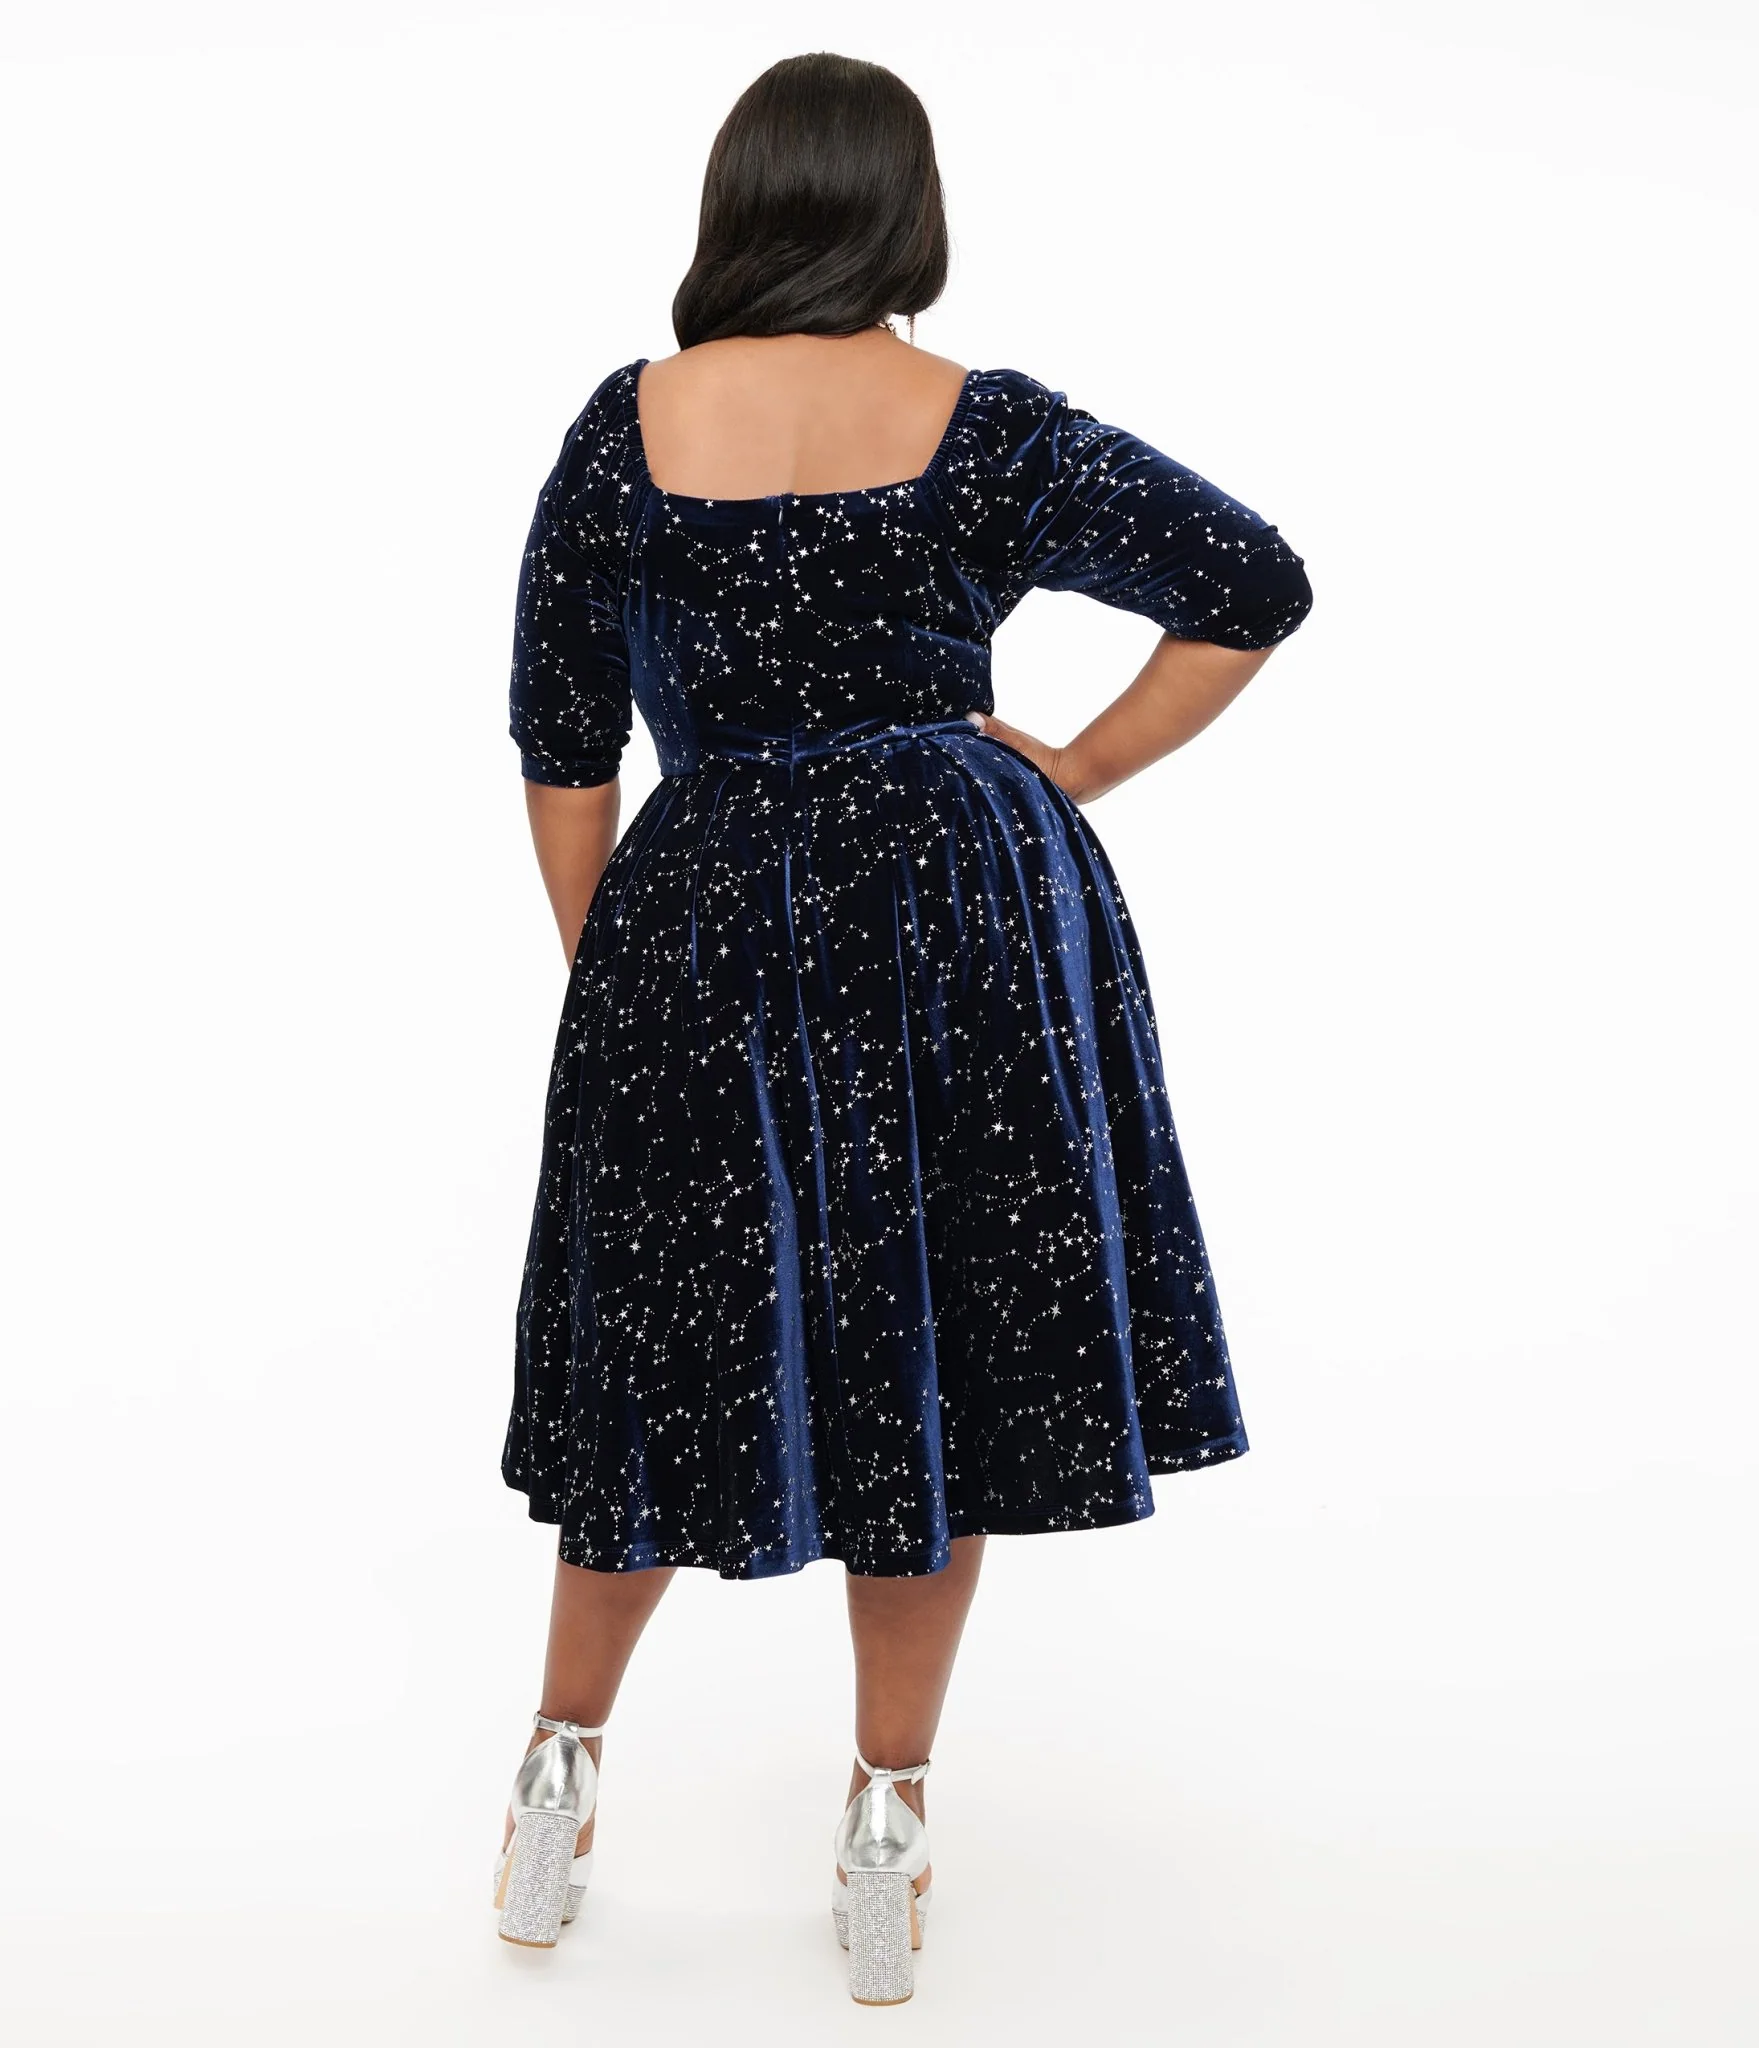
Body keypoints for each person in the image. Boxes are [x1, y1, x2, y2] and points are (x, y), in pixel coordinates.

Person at [491, 51, 1313, 2005]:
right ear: (904, 213)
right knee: (923, 1357)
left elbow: (561, 736)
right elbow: (1250, 581)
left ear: (737, 201)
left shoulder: (625, 427)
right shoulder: (984, 425)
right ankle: (886, 1819)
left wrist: (620, 973)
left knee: (656, 1366)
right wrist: (1076, 766)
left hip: (704, 907)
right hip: (959, 907)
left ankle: (554, 1767)